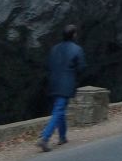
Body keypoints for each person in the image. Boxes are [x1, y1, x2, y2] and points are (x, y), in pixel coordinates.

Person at [37, 24, 86, 152]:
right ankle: (45, 137)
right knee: (58, 110)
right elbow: (81, 68)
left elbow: (49, 65)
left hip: (53, 82)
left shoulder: (54, 49)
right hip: (66, 84)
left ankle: (62, 137)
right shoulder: (77, 49)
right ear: (74, 35)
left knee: (60, 110)